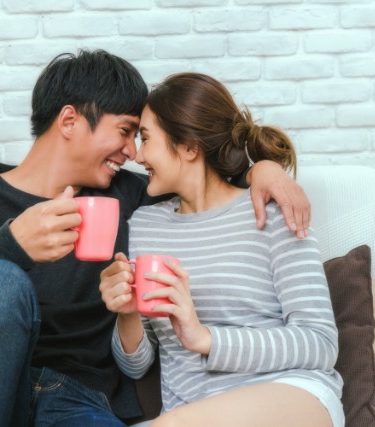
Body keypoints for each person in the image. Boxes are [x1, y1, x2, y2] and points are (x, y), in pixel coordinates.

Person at [0, 50, 311, 426]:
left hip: (77, 400)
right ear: (69, 121)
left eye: (140, 136)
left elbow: (205, 176)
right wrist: (11, 246)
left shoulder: (132, 198)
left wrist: (264, 169)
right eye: (125, 131)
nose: (133, 152)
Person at [99, 72, 344, 427]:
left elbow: (320, 343)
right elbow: (136, 365)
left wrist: (204, 338)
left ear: (189, 147)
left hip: (291, 395)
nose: (137, 154)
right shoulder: (145, 226)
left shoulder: (271, 211)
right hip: (191, 409)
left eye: (146, 138)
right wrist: (127, 312)